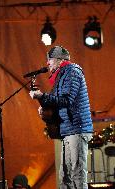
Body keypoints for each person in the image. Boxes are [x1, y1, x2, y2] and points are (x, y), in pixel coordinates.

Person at [29, 45, 93, 188]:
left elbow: (66, 100)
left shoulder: (72, 72)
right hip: (68, 129)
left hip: (77, 128)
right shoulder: (62, 75)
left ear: (59, 60)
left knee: (77, 174)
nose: (47, 63)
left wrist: (42, 95)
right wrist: (44, 104)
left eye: (50, 59)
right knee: (65, 176)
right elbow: (56, 100)